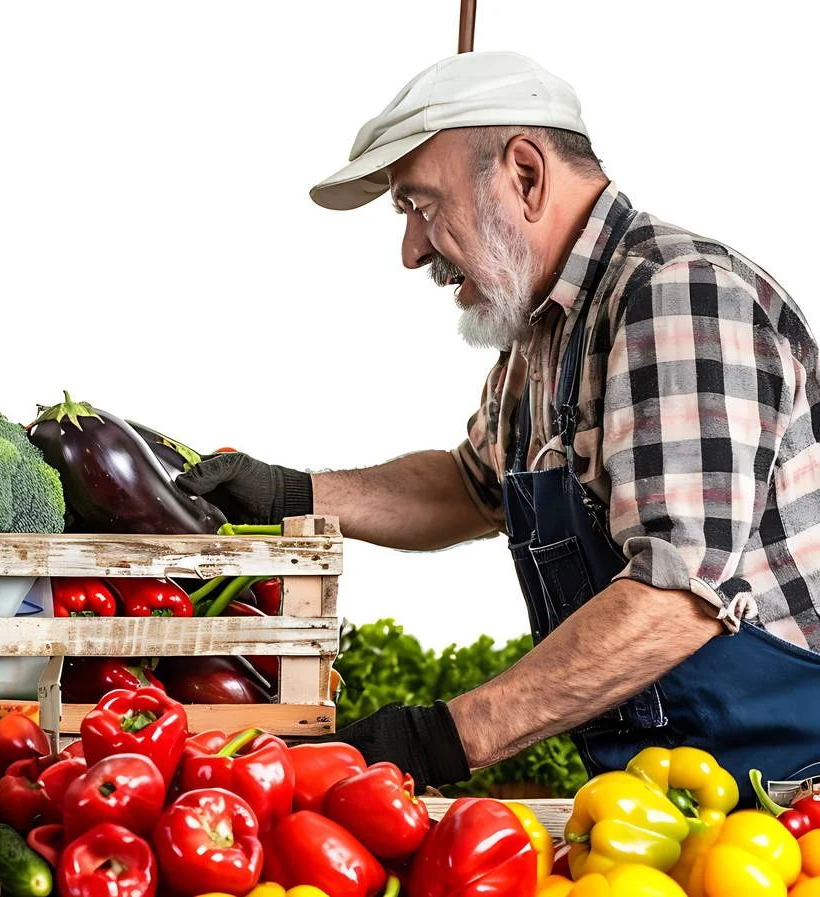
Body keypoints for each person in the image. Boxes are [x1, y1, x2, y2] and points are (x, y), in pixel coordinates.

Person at [180, 51, 820, 796]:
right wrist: (291, 492)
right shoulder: (543, 333)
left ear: (525, 175)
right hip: (665, 795)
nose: (411, 251)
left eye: (422, 205)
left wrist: (443, 739)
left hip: (790, 794)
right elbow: (470, 486)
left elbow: (678, 597)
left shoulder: (676, 295)